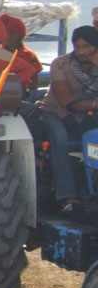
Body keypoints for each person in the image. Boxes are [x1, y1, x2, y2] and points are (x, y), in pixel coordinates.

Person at [37, 26, 98, 211]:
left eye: (86, 47)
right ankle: (67, 197)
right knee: (59, 137)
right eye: (77, 46)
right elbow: (66, 101)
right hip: (54, 112)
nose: (81, 52)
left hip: (86, 116)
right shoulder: (61, 64)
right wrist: (94, 104)